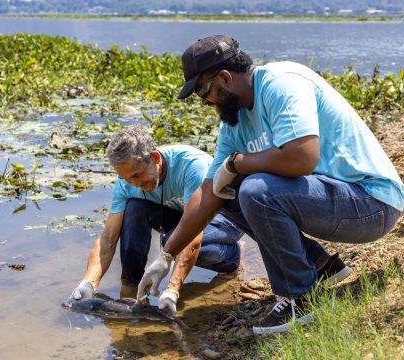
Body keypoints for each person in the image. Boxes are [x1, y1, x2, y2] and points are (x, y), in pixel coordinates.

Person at [136, 35, 404, 334]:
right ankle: (319, 266)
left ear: (224, 78)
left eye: (202, 91)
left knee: (254, 188)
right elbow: (210, 191)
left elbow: (302, 158)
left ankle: (299, 297)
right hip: (331, 201)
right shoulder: (233, 122)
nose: (203, 101)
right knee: (230, 189)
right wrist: (166, 255)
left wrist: (238, 164)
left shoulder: (282, 83)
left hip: (371, 204)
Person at [69, 126, 245, 314]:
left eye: (137, 175)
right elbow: (108, 238)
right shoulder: (126, 182)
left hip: (225, 216)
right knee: (135, 208)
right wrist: (88, 283)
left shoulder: (192, 166)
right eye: (127, 179)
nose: (135, 184)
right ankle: (130, 285)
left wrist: (172, 290)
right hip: (183, 214)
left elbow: (193, 235)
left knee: (172, 241)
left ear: (155, 158)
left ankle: (232, 256)